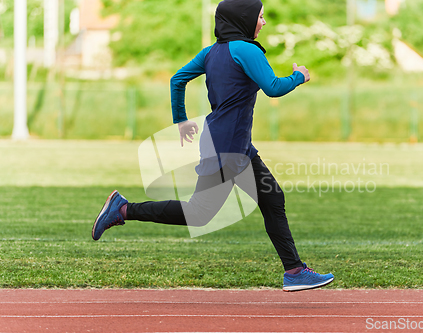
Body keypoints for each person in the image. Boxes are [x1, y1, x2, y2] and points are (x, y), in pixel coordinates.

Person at [92, 0, 334, 292]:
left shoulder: (211, 52)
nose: (264, 22)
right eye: (260, 16)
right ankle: (123, 209)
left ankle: (294, 271)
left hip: (236, 145)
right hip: (227, 148)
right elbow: (273, 87)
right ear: (244, 19)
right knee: (199, 213)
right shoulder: (246, 49)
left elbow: (177, 79)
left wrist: (181, 121)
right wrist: (300, 76)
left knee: (273, 200)